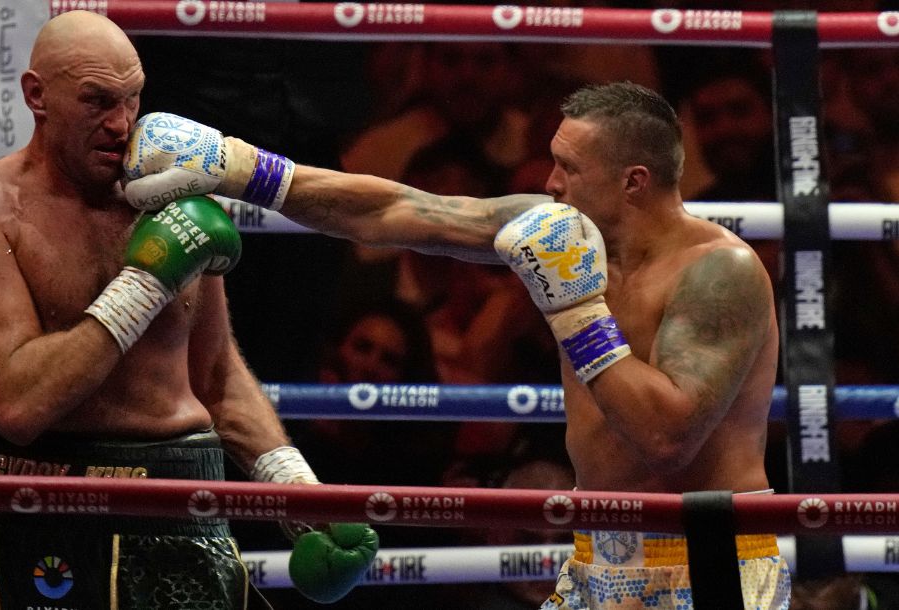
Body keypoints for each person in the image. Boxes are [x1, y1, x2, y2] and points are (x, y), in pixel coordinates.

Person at [125, 81, 788, 607]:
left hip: (708, 555)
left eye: (568, 168)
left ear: (633, 181)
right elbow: (397, 211)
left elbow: (667, 438)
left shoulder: (720, 273)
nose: (550, 184)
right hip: (600, 548)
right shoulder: (560, 230)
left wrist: (576, 313)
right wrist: (243, 167)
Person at [0, 11, 376, 610]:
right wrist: (145, 284)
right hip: (26, 502)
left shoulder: (167, 190)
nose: (121, 124)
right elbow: (17, 404)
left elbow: (215, 375)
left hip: (172, 506)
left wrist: (294, 488)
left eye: (132, 99)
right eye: (97, 101)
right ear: (37, 96)